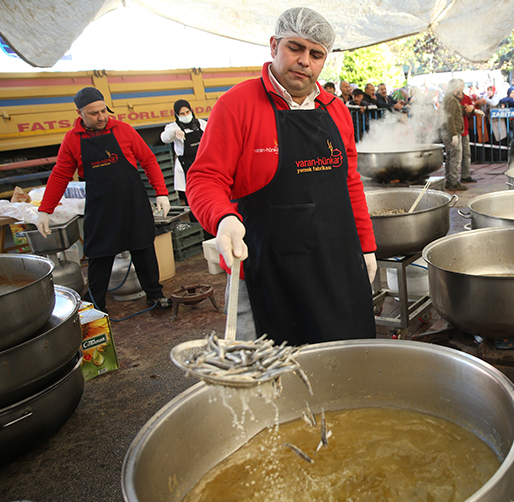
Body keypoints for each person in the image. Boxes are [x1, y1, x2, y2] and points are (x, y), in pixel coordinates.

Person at [185, 7, 377, 345]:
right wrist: (223, 219)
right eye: (295, 48)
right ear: (274, 45)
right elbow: (204, 178)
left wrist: (367, 246)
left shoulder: (335, 109)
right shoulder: (237, 104)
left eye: (316, 54)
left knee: (342, 366)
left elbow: (350, 182)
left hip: (335, 266)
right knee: (264, 378)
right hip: (265, 270)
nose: (305, 60)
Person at [36, 87, 172, 313]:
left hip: (132, 201)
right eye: (93, 113)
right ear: (80, 113)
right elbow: (60, 174)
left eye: (103, 111)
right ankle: (95, 304)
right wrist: (45, 210)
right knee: (99, 252)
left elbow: (148, 160)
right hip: (101, 205)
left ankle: (155, 296)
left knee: (143, 248)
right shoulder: (72, 139)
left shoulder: (124, 130)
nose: (101, 117)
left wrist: (161, 192)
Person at [160, 99, 207, 209]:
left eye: (187, 112)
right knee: (192, 196)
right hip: (186, 165)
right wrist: (173, 133)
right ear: (177, 114)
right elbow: (164, 138)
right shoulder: (173, 127)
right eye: (182, 113)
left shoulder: (201, 124)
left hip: (202, 161)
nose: (186, 115)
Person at [440, 78, 468, 191]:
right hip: (451, 132)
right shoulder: (451, 99)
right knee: (455, 157)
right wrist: (454, 134)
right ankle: (453, 182)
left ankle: (450, 180)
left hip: (448, 131)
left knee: (450, 157)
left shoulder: (449, 98)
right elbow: (450, 118)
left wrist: (471, 110)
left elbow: (457, 109)